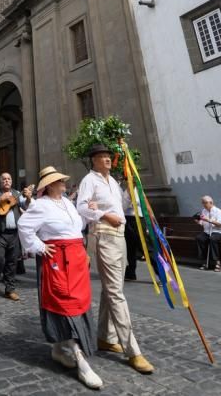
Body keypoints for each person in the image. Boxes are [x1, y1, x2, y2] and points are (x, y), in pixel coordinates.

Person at [18, 166, 103, 390]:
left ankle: (57, 349)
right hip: (58, 259)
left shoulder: (67, 203)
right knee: (65, 304)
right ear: (50, 185)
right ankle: (81, 361)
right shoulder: (41, 205)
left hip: (75, 259)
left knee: (78, 303)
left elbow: (77, 226)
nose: (64, 183)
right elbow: (24, 226)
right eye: (59, 181)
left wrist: (91, 212)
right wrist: (38, 246)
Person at [77, 144, 154, 375]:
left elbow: (124, 207)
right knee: (116, 293)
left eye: (109, 156)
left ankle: (104, 336)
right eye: (102, 157)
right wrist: (102, 214)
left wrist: (133, 190)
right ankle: (133, 350)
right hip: (104, 235)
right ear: (94, 160)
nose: (108, 160)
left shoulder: (113, 182)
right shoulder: (89, 180)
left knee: (112, 289)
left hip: (120, 236)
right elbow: (82, 207)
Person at [0, 172, 32, 301]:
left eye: (9, 179)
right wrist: (1, 199)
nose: (6, 181)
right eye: (4, 179)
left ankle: (10, 289)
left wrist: (28, 197)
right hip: (0, 233)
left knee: (12, 262)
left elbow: (26, 206)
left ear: (11, 181)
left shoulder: (17, 193)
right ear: (0, 181)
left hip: (14, 233)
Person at [195, 195, 221, 271]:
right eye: (203, 203)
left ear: (211, 202)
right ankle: (204, 261)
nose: (204, 205)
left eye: (205, 203)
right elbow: (203, 222)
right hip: (207, 232)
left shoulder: (218, 211)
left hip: (217, 232)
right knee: (199, 238)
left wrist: (209, 220)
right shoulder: (204, 211)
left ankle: (217, 263)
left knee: (213, 239)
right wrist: (198, 222)